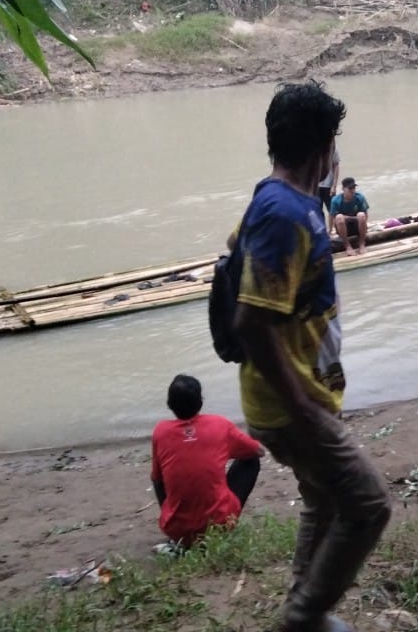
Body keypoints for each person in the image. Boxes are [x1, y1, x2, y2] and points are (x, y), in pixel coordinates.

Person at [232, 81, 391, 632]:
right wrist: (302, 405)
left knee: (323, 500)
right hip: (291, 403)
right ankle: (304, 615)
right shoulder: (281, 213)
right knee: (368, 504)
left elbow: (242, 262)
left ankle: (304, 607)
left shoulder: (288, 204)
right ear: (325, 147)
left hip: (305, 392)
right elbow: (251, 321)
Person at [150, 374, 264, 547]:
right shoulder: (219, 425)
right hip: (218, 526)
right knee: (251, 460)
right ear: (200, 402)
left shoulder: (160, 432)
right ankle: (226, 522)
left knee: (160, 479)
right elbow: (258, 451)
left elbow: (157, 480)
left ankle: (176, 525)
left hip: (176, 530)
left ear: (170, 404)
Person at [330, 177, 370, 256]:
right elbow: (333, 219)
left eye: (354, 188)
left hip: (357, 226)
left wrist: (348, 218)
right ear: (343, 189)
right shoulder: (336, 200)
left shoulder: (360, 197)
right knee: (339, 217)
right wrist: (330, 231)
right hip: (343, 228)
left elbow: (365, 216)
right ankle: (347, 246)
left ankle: (362, 244)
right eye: (350, 188)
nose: (352, 190)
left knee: (361, 215)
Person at [318, 146, 340, 215]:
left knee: (333, 211)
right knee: (317, 211)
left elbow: (336, 166)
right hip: (314, 187)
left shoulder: (331, 147)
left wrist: (334, 186)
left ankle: (333, 222)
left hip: (329, 186)